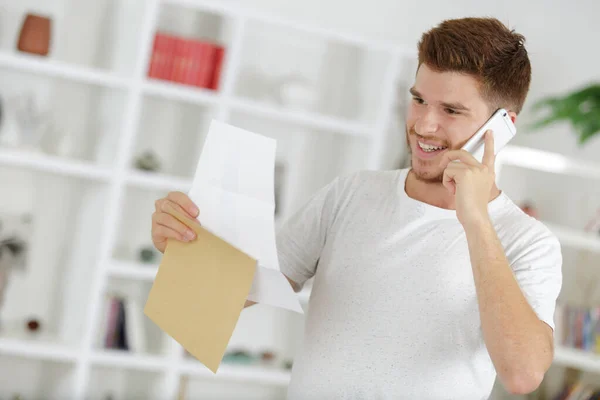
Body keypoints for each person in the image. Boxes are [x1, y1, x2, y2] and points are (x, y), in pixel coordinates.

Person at [151, 17, 562, 399]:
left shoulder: (527, 242)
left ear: (502, 125)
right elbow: (233, 293)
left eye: (451, 111)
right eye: (418, 100)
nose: (424, 125)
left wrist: (475, 220)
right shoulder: (351, 194)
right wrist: (184, 244)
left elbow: (522, 373)